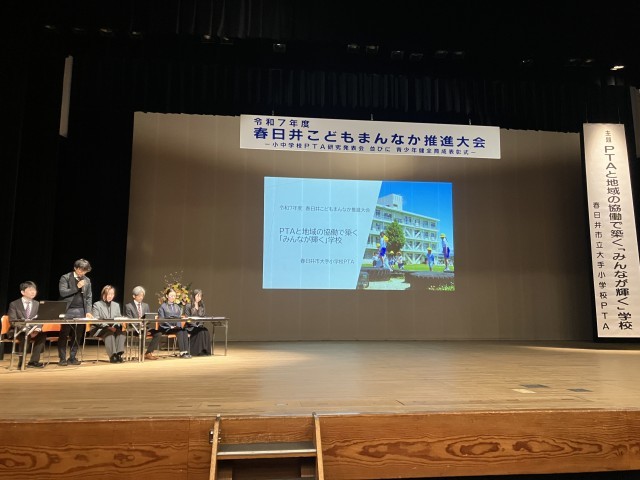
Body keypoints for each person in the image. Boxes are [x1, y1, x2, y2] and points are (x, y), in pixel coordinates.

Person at [58, 258, 93, 366]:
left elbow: (88, 297)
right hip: (67, 310)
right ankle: (62, 358)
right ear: (75, 268)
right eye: (81, 270)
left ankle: (72, 357)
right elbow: (63, 292)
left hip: (81, 310)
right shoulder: (65, 277)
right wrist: (76, 287)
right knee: (64, 334)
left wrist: (88, 311)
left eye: (85, 271)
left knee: (77, 335)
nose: (83, 273)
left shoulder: (87, 280)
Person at [6, 281, 46, 368]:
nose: (33, 292)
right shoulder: (14, 304)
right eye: (30, 290)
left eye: (34, 290)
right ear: (23, 292)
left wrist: (37, 329)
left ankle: (33, 361)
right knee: (25, 335)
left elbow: (40, 319)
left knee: (42, 335)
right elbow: (12, 321)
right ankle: (21, 362)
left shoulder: (37, 304)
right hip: (18, 330)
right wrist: (27, 330)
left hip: (33, 330)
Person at [124, 285, 162, 360]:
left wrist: (147, 323)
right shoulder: (128, 306)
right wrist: (140, 326)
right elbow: (130, 320)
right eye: (139, 296)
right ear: (134, 296)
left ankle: (148, 353)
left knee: (158, 333)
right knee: (143, 332)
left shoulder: (145, 305)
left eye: (142, 296)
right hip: (134, 328)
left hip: (145, 327)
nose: (141, 297)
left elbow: (148, 318)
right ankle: (141, 354)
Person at [91, 285, 126, 363]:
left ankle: (119, 354)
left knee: (121, 333)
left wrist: (116, 324)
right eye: (109, 294)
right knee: (109, 333)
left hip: (113, 327)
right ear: (104, 294)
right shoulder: (97, 305)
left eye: (112, 294)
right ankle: (112, 356)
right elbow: (96, 319)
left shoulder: (116, 305)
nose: (111, 296)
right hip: (100, 328)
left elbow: (118, 317)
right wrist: (107, 327)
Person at [157, 289, 191, 358]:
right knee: (179, 331)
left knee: (184, 330)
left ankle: (186, 351)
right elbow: (161, 320)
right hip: (166, 327)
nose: (173, 297)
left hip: (175, 327)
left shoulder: (177, 306)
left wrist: (178, 326)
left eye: (174, 296)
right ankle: (182, 353)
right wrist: (170, 326)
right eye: (171, 295)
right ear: (167, 296)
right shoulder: (162, 306)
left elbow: (179, 318)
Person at [184, 288, 212, 356]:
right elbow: (187, 318)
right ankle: (196, 351)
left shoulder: (201, 305)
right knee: (200, 331)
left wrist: (200, 324)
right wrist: (194, 324)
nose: (199, 298)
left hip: (199, 326)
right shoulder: (188, 305)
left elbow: (203, 316)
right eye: (198, 296)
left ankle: (204, 351)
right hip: (190, 326)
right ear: (194, 296)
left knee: (205, 331)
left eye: (200, 296)